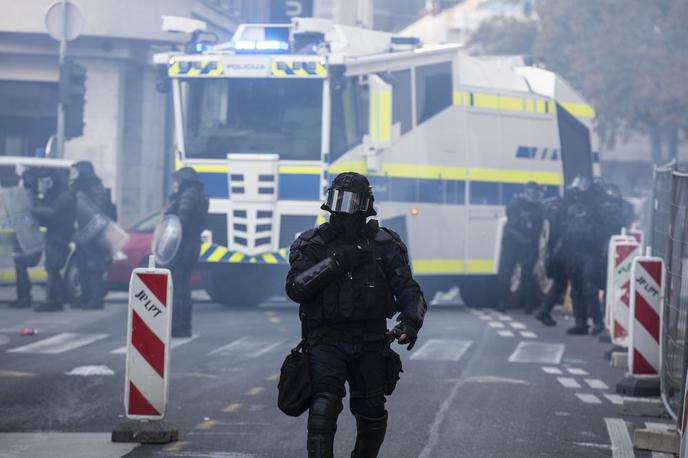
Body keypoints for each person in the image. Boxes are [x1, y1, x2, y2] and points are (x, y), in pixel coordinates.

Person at [285, 172, 427, 458]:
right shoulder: (313, 243)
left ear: (365, 204)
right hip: (326, 340)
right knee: (322, 410)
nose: (343, 209)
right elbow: (296, 288)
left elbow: (410, 291)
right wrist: (336, 263)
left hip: (371, 342)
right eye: (337, 199)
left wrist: (410, 322)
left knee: (372, 415)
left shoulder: (384, 244)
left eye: (350, 201)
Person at [163, 167, 208, 337]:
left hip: (183, 244)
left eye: (177, 180)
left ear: (183, 179)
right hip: (191, 244)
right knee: (183, 285)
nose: (175, 183)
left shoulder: (188, 194)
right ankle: (183, 326)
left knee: (178, 286)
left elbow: (180, 221)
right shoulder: (197, 193)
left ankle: (179, 326)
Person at [561, 176, 606, 335]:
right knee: (576, 288)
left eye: (585, 184)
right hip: (574, 250)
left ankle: (597, 322)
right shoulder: (572, 204)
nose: (581, 187)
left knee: (589, 287)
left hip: (591, 251)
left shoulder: (597, 203)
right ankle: (580, 323)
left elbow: (603, 225)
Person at [31, 168, 76, 312]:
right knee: (52, 267)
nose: (42, 184)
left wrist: (34, 209)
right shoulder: (55, 193)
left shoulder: (63, 194)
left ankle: (53, 301)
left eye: (44, 181)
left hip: (60, 234)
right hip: (56, 233)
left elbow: (53, 212)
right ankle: (54, 300)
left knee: (53, 267)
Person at [70, 160, 112, 310]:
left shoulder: (96, 187)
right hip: (82, 233)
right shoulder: (78, 187)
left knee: (94, 267)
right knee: (82, 266)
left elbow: (97, 211)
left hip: (94, 234)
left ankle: (96, 299)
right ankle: (85, 297)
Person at [496, 181, 545, 312]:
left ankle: (529, 305)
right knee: (506, 273)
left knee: (527, 275)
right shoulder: (514, 205)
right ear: (525, 193)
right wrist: (526, 240)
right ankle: (502, 302)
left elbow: (540, 226)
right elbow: (512, 227)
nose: (533, 196)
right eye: (531, 193)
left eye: (535, 193)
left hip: (527, 245)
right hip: (513, 243)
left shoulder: (538, 207)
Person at [9, 168, 41, 309]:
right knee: (19, 264)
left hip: (31, 236)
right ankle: (23, 296)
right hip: (24, 234)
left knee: (21, 264)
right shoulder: (32, 195)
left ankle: (24, 297)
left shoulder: (32, 197)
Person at [534, 195, 568, 326]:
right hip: (564, 252)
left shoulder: (551, 208)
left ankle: (544, 310)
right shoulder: (565, 210)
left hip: (554, 252)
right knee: (569, 284)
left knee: (559, 283)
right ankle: (544, 310)